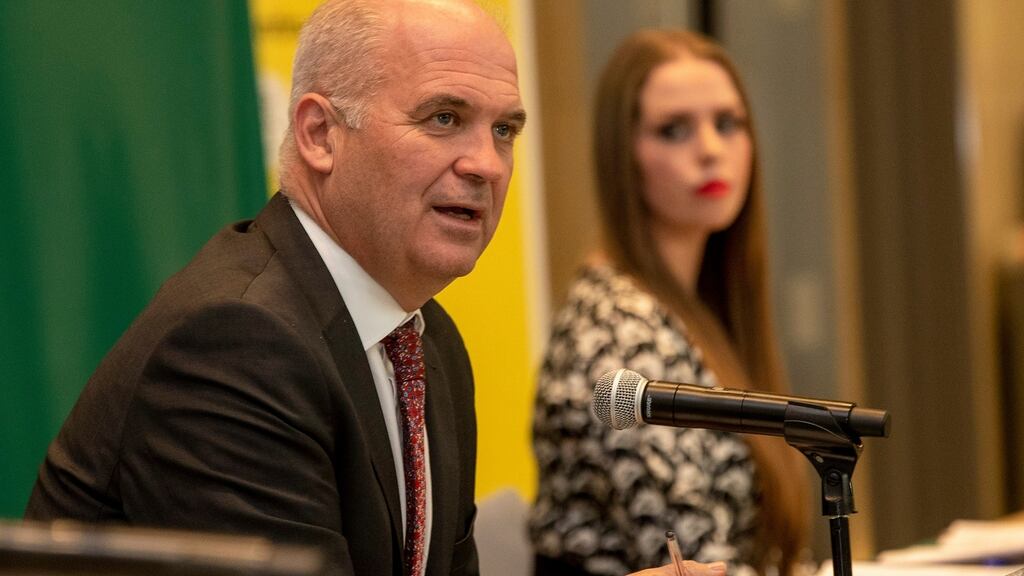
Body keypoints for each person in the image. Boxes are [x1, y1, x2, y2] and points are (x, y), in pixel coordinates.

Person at [23, 2, 724, 576]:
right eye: (444, 118)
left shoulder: (427, 342)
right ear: (321, 134)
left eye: (504, 129)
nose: (485, 163)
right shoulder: (237, 341)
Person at [529, 28, 811, 576]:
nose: (710, 149)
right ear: (623, 158)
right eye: (674, 129)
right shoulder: (617, 333)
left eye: (728, 124)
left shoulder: (697, 308)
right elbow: (696, 562)